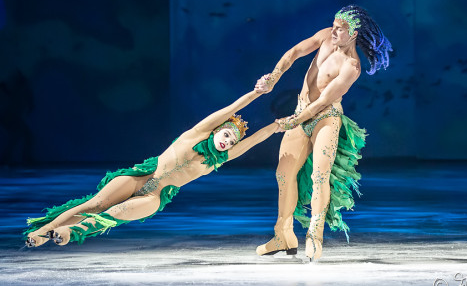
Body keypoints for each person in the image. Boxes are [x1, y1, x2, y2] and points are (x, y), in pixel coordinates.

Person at [25, 85, 281, 247]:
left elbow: (255, 140)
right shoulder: (195, 134)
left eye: (232, 141)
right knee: (95, 204)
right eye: (226, 135)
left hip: (154, 195)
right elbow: (232, 108)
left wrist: (277, 126)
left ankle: (69, 232)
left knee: (111, 216)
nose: (228, 142)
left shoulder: (217, 160)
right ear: (216, 130)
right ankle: (44, 230)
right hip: (142, 176)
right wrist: (257, 93)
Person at [254, 5, 392, 261]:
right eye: (335, 26)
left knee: (320, 175)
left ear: (354, 34)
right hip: (300, 110)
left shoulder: (352, 66)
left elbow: (323, 102)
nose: (335, 31)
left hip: (325, 119)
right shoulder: (326, 36)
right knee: (283, 173)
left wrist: (292, 121)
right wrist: (273, 76)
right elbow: (294, 52)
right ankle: (283, 235)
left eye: (341, 29)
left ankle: (314, 236)